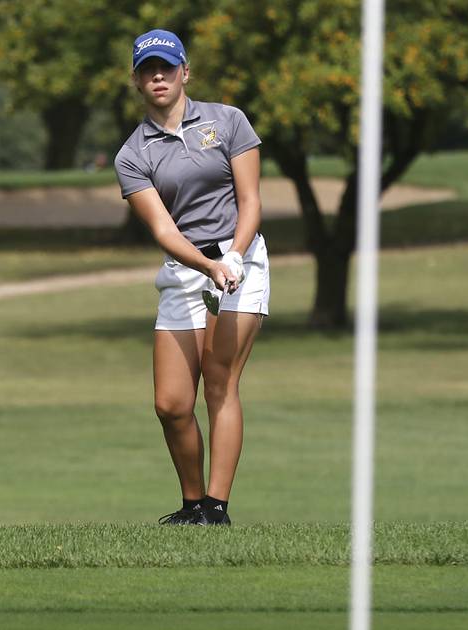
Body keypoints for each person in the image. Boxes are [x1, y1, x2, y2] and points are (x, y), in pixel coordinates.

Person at [114, 29, 270, 525]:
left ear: (185, 72)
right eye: (147, 70)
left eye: (166, 67)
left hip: (240, 260)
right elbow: (162, 227)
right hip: (186, 268)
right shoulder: (133, 154)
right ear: (137, 81)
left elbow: (251, 201)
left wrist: (236, 257)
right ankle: (192, 503)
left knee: (220, 381)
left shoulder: (228, 121)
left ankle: (217, 508)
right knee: (171, 403)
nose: (157, 76)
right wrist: (206, 266)